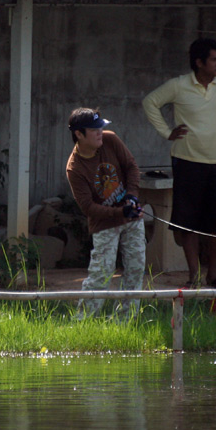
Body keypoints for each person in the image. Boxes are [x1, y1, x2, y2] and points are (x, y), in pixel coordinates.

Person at [142, 38, 216, 289]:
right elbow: (149, 102)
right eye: (215, 60)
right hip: (187, 162)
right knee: (188, 223)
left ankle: (213, 275)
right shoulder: (179, 85)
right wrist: (167, 132)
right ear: (199, 62)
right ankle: (194, 276)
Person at [65, 108, 146, 321]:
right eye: (94, 129)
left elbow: (131, 167)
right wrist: (120, 212)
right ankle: (83, 322)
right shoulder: (75, 168)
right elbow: (88, 208)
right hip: (104, 225)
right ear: (79, 135)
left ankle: (126, 320)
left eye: (101, 126)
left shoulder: (110, 140)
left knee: (136, 269)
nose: (101, 131)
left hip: (132, 217)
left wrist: (132, 196)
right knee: (102, 273)